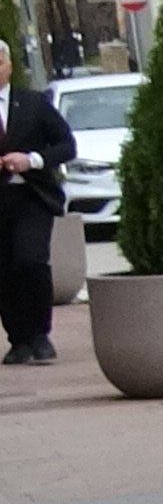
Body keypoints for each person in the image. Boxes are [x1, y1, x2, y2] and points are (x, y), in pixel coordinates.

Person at [0, 79, 72, 365]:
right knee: (4, 270)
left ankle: (40, 333)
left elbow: (66, 146)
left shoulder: (33, 103)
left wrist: (33, 160)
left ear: (8, 66)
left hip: (31, 197)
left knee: (31, 260)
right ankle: (18, 339)